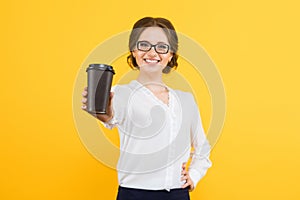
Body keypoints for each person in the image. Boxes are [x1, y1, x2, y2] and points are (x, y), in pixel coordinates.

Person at [81, 17, 212, 200]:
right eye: (144, 45)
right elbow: (112, 115)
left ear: (171, 54)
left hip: (177, 194)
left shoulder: (186, 100)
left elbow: (202, 148)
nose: (152, 52)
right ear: (134, 51)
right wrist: (106, 114)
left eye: (161, 46)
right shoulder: (120, 94)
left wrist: (194, 175)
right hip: (133, 194)